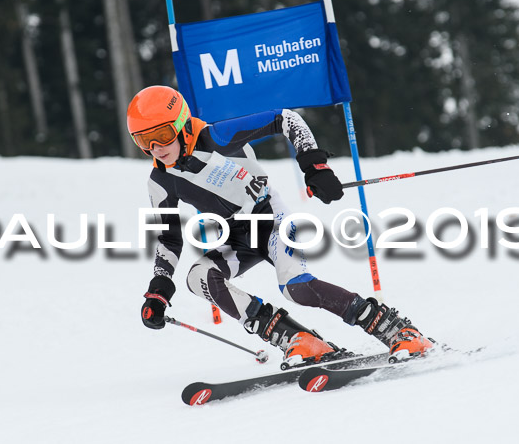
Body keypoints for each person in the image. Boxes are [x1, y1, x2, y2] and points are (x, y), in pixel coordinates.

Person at [130, 85, 433, 365]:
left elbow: (287, 119)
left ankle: (396, 330)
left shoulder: (218, 137)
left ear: (182, 123)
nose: (156, 147)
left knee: (296, 288)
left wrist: (314, 166)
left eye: (164, 134)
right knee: (198, 277)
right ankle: (299, 340)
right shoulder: (161, 181)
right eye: (144, 140)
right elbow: (168, 240)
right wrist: (158, 289)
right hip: (238, 239)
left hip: (271, 219)